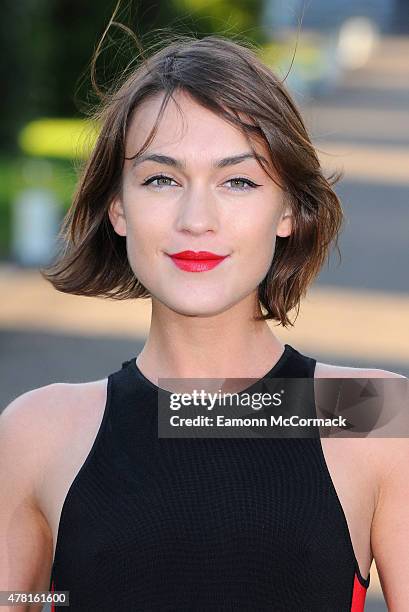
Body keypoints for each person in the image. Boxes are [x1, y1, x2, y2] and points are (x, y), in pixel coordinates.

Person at [1, 33, 408, 612]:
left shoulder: (371, 412)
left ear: (288, 209)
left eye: (238, 180)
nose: (197, 219)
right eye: (161, 179)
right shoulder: (37, 432)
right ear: (118, 207)